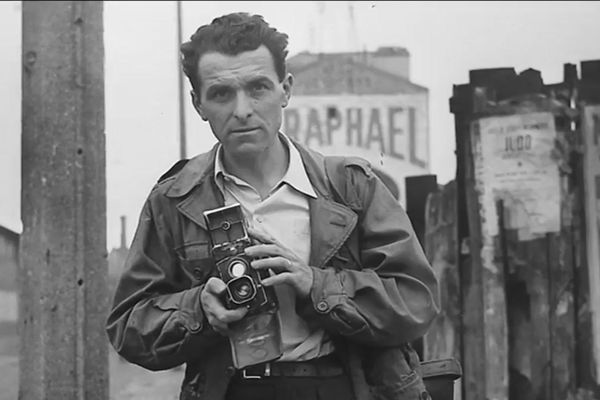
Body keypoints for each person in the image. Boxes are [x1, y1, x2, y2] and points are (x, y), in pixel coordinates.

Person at [106, 12, 440, 400]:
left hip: (342, 386)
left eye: (258, 88)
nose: (243, 109)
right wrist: (200, 310)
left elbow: (416, 301)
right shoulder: (174, 200)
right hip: (231, 391)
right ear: (198, 103)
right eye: (221, 94)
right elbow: (129, 326)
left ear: (286, 89)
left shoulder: (351, 187)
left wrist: (315, 284)